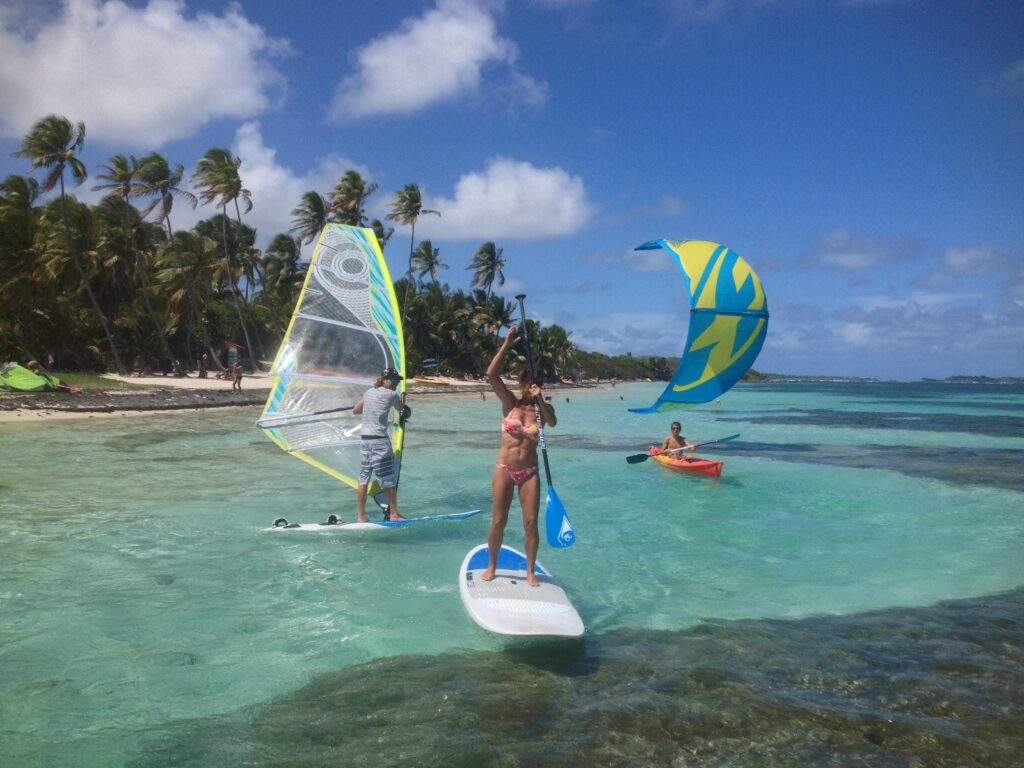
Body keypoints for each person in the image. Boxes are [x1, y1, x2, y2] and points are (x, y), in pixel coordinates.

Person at [482, 325, 556, 587]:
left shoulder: (540, 411)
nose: (529, 387)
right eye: (526, 383)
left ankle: (530, 571)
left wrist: (542, 400)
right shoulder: (509, 403)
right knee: (499, 520)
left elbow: (553, 422)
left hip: (530, 472)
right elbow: (490, 375)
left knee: (530, 522)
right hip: (504, 467)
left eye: (535, 384)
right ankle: (492, 564)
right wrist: (507, 343)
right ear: (522, 383)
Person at [352, 367, 411, 523]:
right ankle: (394, 514)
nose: (397, 384)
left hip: (365, 440)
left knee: (364, 477)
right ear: (386, 380)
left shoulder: (369, 392)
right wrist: (406, 407)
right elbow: (402, 410)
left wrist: (370, 406)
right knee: (388, 479)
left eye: (398, 381)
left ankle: (360, 516)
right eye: (395, 381)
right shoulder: (392, 395)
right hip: (379, 441)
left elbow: (355, 410)